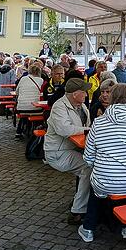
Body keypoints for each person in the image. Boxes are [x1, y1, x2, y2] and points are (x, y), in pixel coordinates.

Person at [78, 84, 126, 242]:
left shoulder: (98, 124)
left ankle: (88, 229)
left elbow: (88, 156)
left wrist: (102, 166)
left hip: (105, 181)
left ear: (111, 98)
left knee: (96, 189)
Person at [43, 78, 92, 225]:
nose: (86, 94)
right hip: (58, 152)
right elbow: (65, 130)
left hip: (73, 148)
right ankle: (78, 211)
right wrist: (88, 130)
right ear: (75, 94)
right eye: (84, 91)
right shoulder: (60, 107)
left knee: (94, 164)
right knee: (88, 168)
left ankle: (89, 202)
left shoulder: (82, 106)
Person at [14, 64, 44, 136]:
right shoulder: (41, 80)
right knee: (38, 112)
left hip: (21, 109)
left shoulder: (23, 79)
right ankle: (38, 128)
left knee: (25, 110)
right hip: (37, 109)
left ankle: (19, 131)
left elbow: (17, 92)